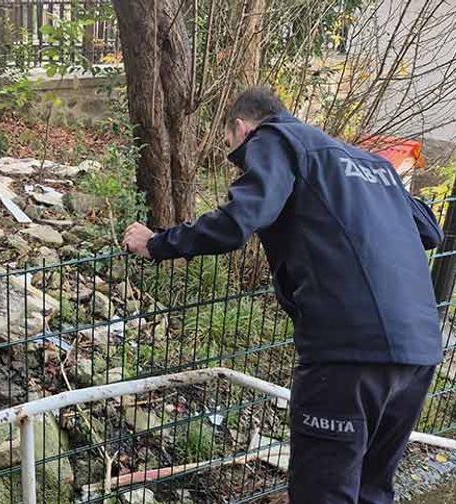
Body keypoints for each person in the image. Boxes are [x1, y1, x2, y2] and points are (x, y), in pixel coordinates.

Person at [122, 87, 443, 504]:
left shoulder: (275, 140)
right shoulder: (367, 162)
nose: (239, 159)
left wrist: (158, 243)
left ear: (241, 128)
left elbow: (239, 220)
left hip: (348, 354)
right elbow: (430, 231)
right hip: (418, 352)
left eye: (233, 150)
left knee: (322, 494)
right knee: (371, 491)